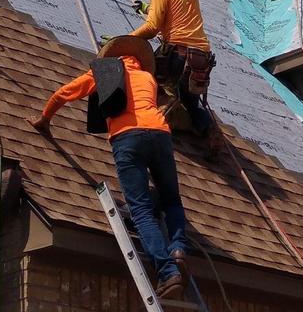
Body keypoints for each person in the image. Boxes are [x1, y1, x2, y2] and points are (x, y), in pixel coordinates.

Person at [30, 36, 189, 300]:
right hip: (160, 134)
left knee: (140, 209)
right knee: (171, 198)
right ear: (139, 60)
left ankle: (167, 271)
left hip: (128, 137)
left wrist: (44, 119)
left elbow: (65, 93)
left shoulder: (104, 72)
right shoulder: (148, 79)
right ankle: (178, 249)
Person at [129, 0, 215, 141]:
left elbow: (152, 27)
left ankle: (156, 128)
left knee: (158, 87)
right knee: (191, 100)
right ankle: (208, 129)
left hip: (177, 54)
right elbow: (176, 14)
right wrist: (146, 8)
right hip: (201, 57)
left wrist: (126, 39)